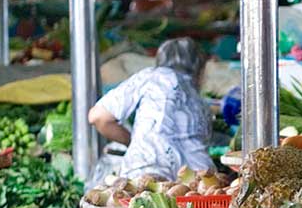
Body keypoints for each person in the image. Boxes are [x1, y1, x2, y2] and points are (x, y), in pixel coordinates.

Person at [88, 38, 214, 181]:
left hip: (147, 173)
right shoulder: (202, 104)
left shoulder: (153, 76)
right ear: (200, 70)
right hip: (197, 184)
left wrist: (134, 142)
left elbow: (97, 116)